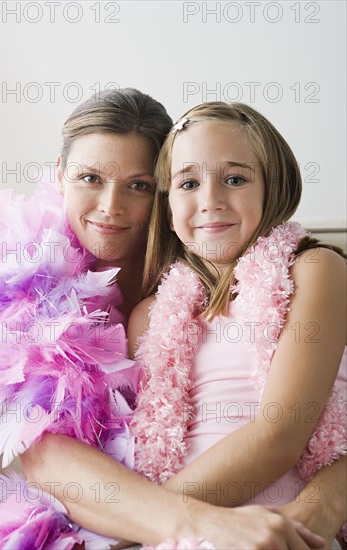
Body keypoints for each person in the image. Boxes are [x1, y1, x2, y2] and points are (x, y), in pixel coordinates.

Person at [0, 91, 343, 548]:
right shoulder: (36, 295)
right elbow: (48, 452)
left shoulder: (287, 269)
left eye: (139, 185)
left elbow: (293, 424)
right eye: (90, 177)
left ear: (161, 194)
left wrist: (328, 498)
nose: (111, 206)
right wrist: (184, 525)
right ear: (60, 174)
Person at [128, 101, 347, 544]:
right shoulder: (149, 316)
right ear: (168, 207)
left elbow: (279, 434)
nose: (210, 201)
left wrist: (143, 522)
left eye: (234, 179)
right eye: (188, 183)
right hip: (182, 534)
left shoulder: (313, 270)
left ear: (273, 187)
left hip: (279, 527)